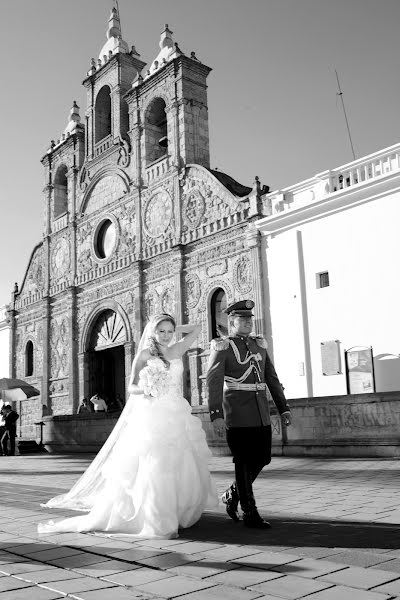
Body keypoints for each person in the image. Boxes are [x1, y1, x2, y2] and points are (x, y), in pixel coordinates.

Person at [38, 313, 218, 538]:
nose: (166, 335)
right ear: (152, 332)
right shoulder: (144, 354)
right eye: (161, 331)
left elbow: (197, 328)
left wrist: (171, 325)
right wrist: (146, 389)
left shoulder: (177, 349)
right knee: (155, 462)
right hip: (153, 412)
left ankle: (178, 509)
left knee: (180, 460)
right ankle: (157, 515)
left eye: (169, 332)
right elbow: (131, 386)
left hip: (176, 411)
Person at [207, 299, 291, 529]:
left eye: (249, 319)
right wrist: (216, 415)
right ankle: (250, 513)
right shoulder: (223, 347)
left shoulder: (259, 345)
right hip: (237, 413)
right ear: (232, 321)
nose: (247, 323)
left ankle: (232, 494)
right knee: (243, 463)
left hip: (260, 412)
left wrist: (283, 407)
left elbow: (271, 378)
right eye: (242, 319)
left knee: (263, 458)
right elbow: (214, 383)